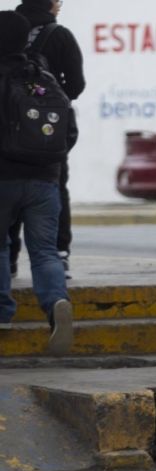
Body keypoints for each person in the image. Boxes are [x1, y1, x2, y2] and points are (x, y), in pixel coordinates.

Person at [0, 10, 74, 354]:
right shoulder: (43, 75)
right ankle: (56, 301)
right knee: (45, 251)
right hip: (46, 179)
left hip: (4, 177)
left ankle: (2, 312)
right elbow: (68, 132)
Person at [14, 0, 85, 279]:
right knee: (55, 185)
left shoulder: (8, 29)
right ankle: (58, 254)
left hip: (9, 125)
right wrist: (52, 99)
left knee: (8, 186)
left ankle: (8, 259)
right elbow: (76, 84)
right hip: (49, 129)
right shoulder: (60, 36)